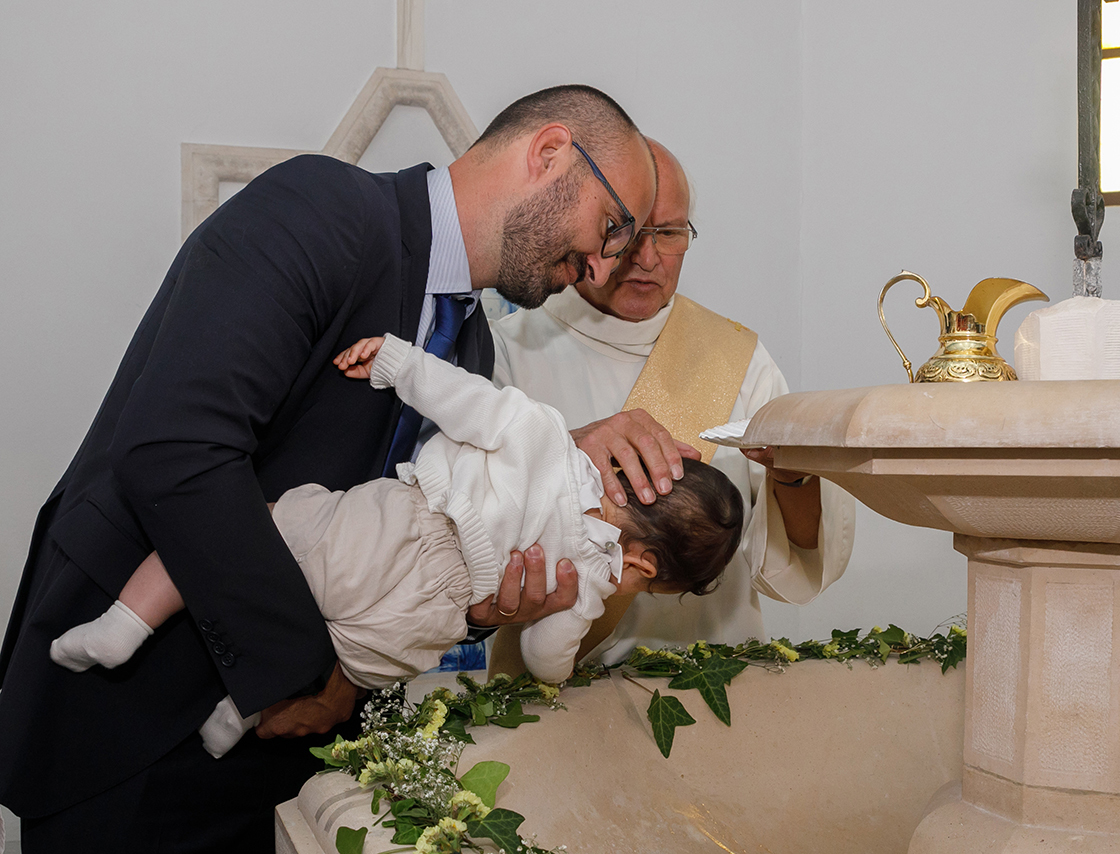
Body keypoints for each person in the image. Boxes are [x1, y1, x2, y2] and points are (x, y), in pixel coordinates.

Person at [0, 84, 683, 852]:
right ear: (550, 150)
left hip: (282, 756)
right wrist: (311, 678)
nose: (599, 268)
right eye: (612, 229)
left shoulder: (471, 354)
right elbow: (178, 450)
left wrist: (480, 605)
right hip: (133, 719)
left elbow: (383, 547)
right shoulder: (319, 208)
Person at [49, 332, 744, 759]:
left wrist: (398, 362)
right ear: (647, 567)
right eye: (652, 587)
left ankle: (123, 625)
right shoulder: (581, 585)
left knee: (225, 532)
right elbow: (543, 657)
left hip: (396, 532)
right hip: (413, 632)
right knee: (320, 656)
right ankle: (238, 717)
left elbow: (464, 399)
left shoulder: (546, 438)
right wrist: (602, 597)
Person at [489, 139, 856, 673]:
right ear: (585, 228)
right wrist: (565, 453)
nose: (647, 257)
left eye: (670, 234)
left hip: (714, 684)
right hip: (547, 695)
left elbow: (794, 558)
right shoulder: (510, 348)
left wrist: (795, 477)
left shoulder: (739, 358)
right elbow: (463, 519)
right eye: (628, 232)